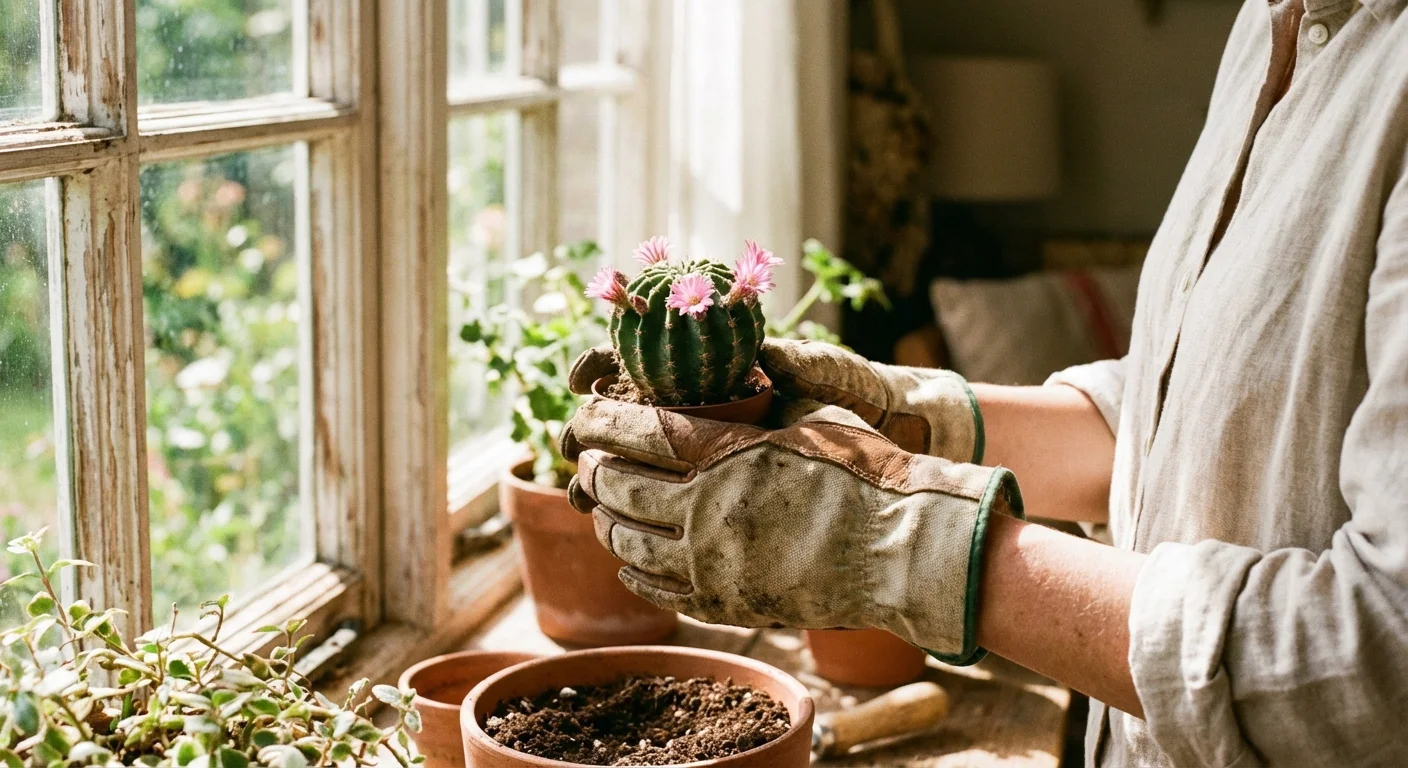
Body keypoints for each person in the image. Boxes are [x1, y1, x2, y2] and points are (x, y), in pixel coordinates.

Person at [559, 0, 1408, 764]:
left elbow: (1376, 659)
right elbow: (1179, 415)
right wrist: (900, 420)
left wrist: (891, 545)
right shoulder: (1272, 22)